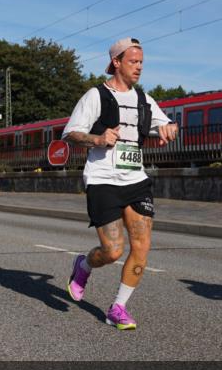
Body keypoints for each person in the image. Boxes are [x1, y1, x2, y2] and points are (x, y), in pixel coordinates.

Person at [61, 37, 178, 331]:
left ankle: (118, 307)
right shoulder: (95, 96)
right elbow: (71, 133)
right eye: (132, 62)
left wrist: (170, 128)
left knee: (142, 246)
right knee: (112, 251)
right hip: (102, 180)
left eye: (141, 63)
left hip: (136, 180)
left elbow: (164, 125)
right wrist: (97, 139)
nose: (138, 68)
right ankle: (84, 266)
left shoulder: (144, 100)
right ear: (116, 62)